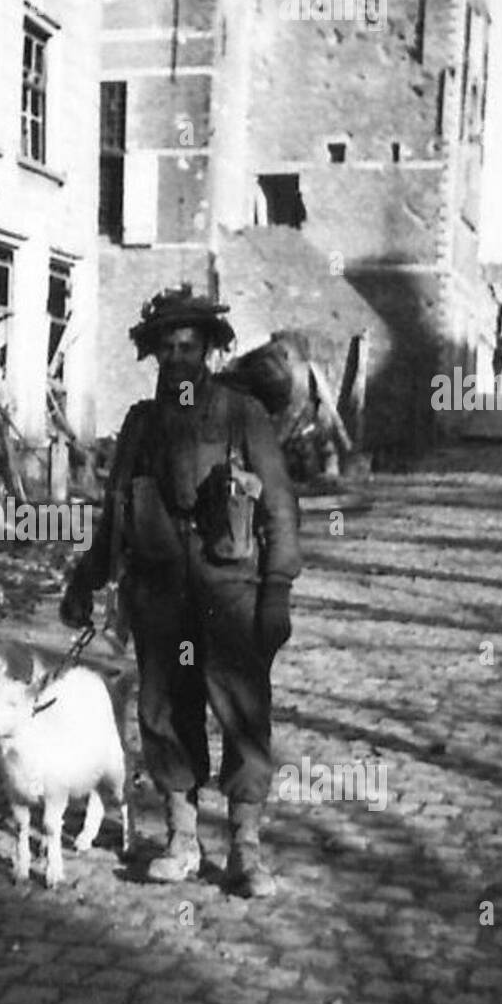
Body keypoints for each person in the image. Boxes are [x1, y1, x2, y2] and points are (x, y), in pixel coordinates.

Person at [60, 286, 302, 898]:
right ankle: (182, 838)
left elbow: (278, 507)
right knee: (166, 712)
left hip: (229, 588)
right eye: (166, 349)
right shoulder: (142, 423)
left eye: (189, 347)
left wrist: (277, 590)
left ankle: (245, 847)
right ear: (154, 355)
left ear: (210, 351)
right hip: (160, 592)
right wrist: (86, 579)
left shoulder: (241, 415)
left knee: (243, 713)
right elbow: (116, 512)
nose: (178, 360)